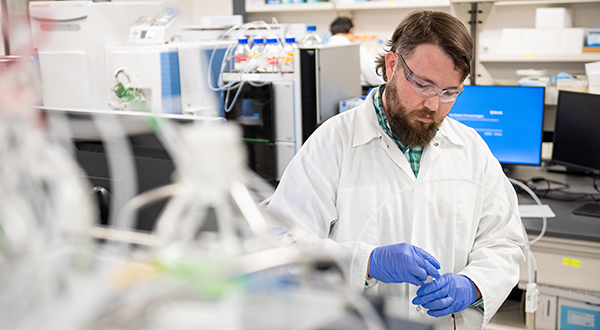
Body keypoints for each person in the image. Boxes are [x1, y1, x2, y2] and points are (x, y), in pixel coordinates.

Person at [267, 10, 527, 330]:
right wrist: (366, 263)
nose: (434, 105)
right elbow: (280, 247)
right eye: (423, 85)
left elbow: (504, 241)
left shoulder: (471, 149)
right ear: (392, 66)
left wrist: (473, 285)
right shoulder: (332, 143)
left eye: (450, 93)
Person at [327, 17, 385, 88]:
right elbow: (376, 77)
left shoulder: (322, 50)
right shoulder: (356, 49)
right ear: (351, 30)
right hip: (354, 94)